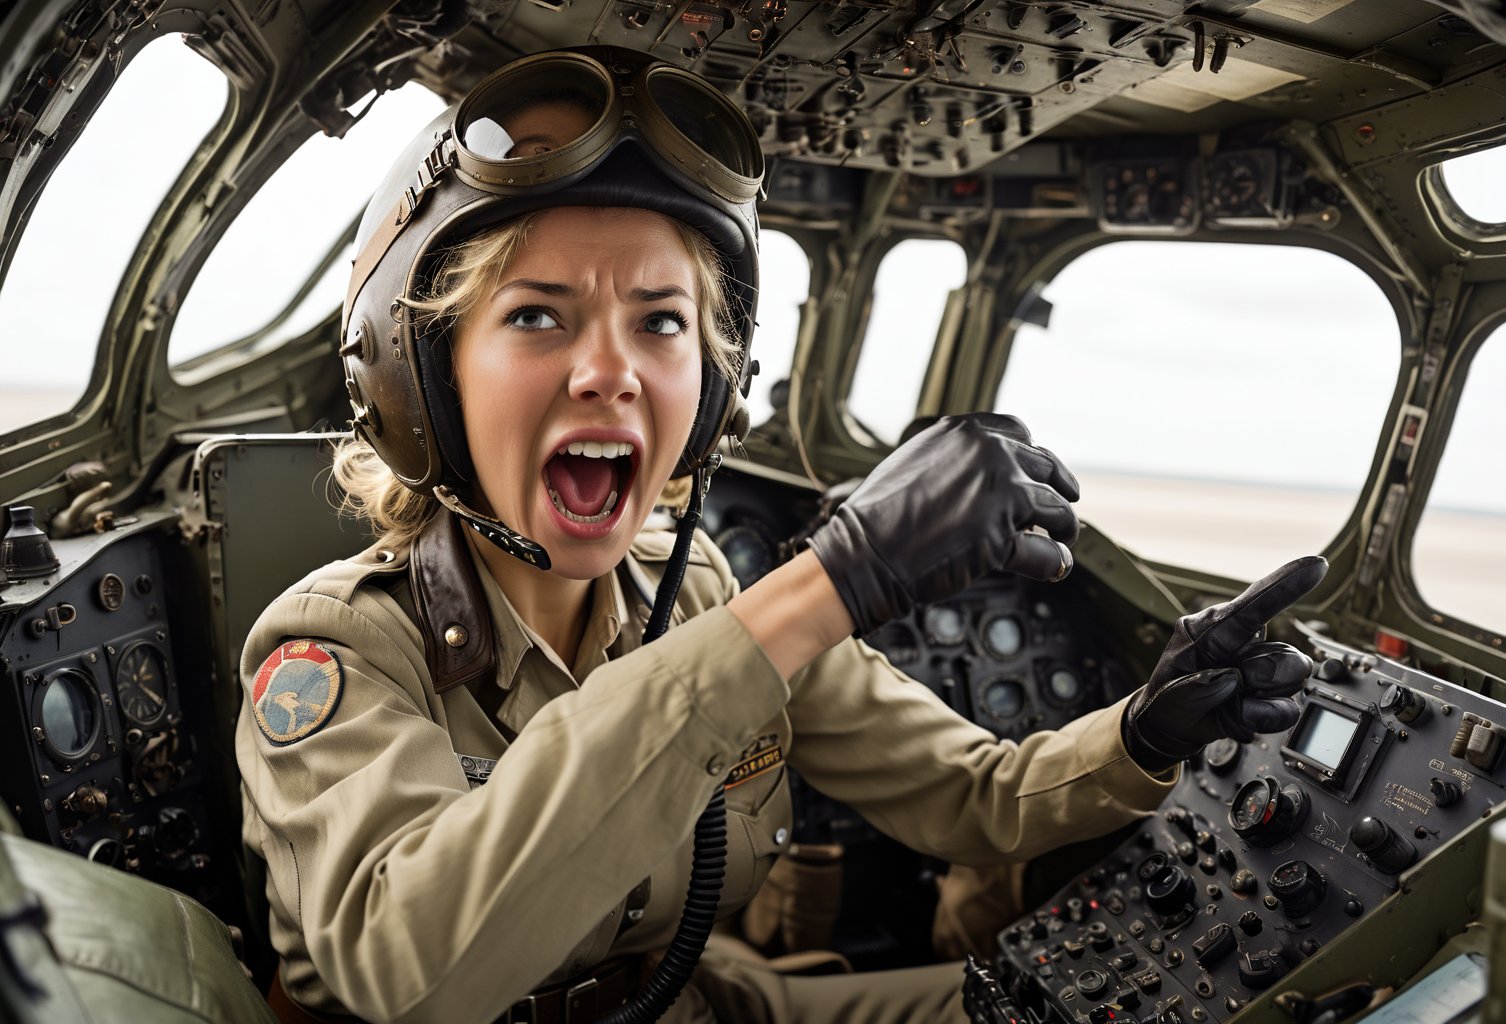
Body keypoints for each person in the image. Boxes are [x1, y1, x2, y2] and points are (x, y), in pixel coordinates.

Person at [236, 46, 1326, 1024]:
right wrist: (826, 585)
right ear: (419, 380)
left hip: (695, 1002)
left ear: (709, 395)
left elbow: (975, 792)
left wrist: (1144, 735)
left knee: (1073, 1002)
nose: (611, 370)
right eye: (537, 314)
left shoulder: (701, 590)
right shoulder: (338, 648)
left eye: (662, 322)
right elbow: (408, 970)